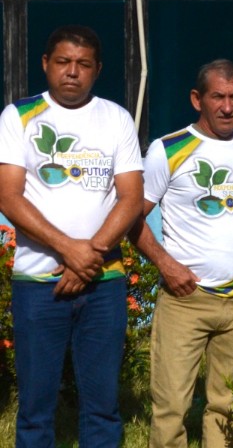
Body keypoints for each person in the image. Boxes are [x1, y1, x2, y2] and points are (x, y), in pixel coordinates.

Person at [0, 25, 145, 448]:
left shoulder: (115, 117)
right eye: (63, 62)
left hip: (104, 284)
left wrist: (90, 257)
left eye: (83, 64)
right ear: (46, 64)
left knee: (102, 407)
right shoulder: (18, 116)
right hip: (38, 284)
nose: (72, 72)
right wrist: (69, 250)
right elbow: (9, 196)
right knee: (35, 410)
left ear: (97, 70)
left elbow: (131, 198)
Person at [129, 60, 233, 448]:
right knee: (170, 408)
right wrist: (166, 264)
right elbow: (131, 218)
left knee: (231, 407)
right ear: (198, 99)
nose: (227, 107)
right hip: (185, 300)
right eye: (218, 97)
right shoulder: (169, 150)